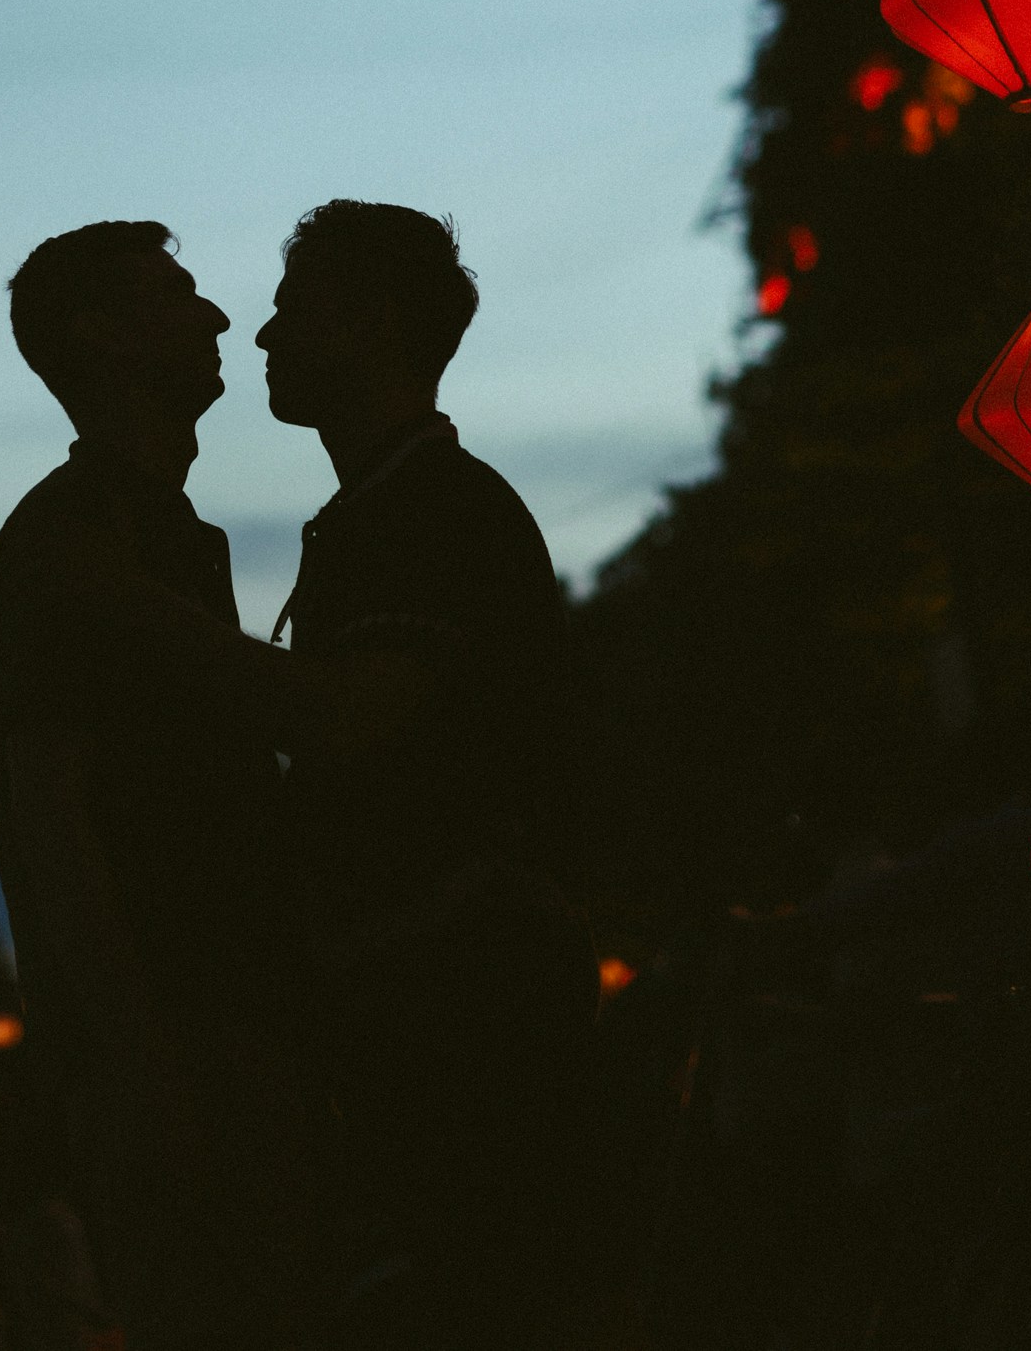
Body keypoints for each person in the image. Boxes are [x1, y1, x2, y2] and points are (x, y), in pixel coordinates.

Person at [257, 197, 596, 1351]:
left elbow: (352, 719)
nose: (261, 337)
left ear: (365, 322)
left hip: (469, 1019)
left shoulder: (437, 510)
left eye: (289, 307)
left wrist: (148, 637)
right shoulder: (384, 511)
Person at [0, 220, 309, 1351]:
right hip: (184, 1053)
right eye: (178, 296)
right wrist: (142, 1065)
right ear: (100, 337)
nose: (214, 318)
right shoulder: (70, 545)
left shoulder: (142, 533)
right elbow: (54, 820)